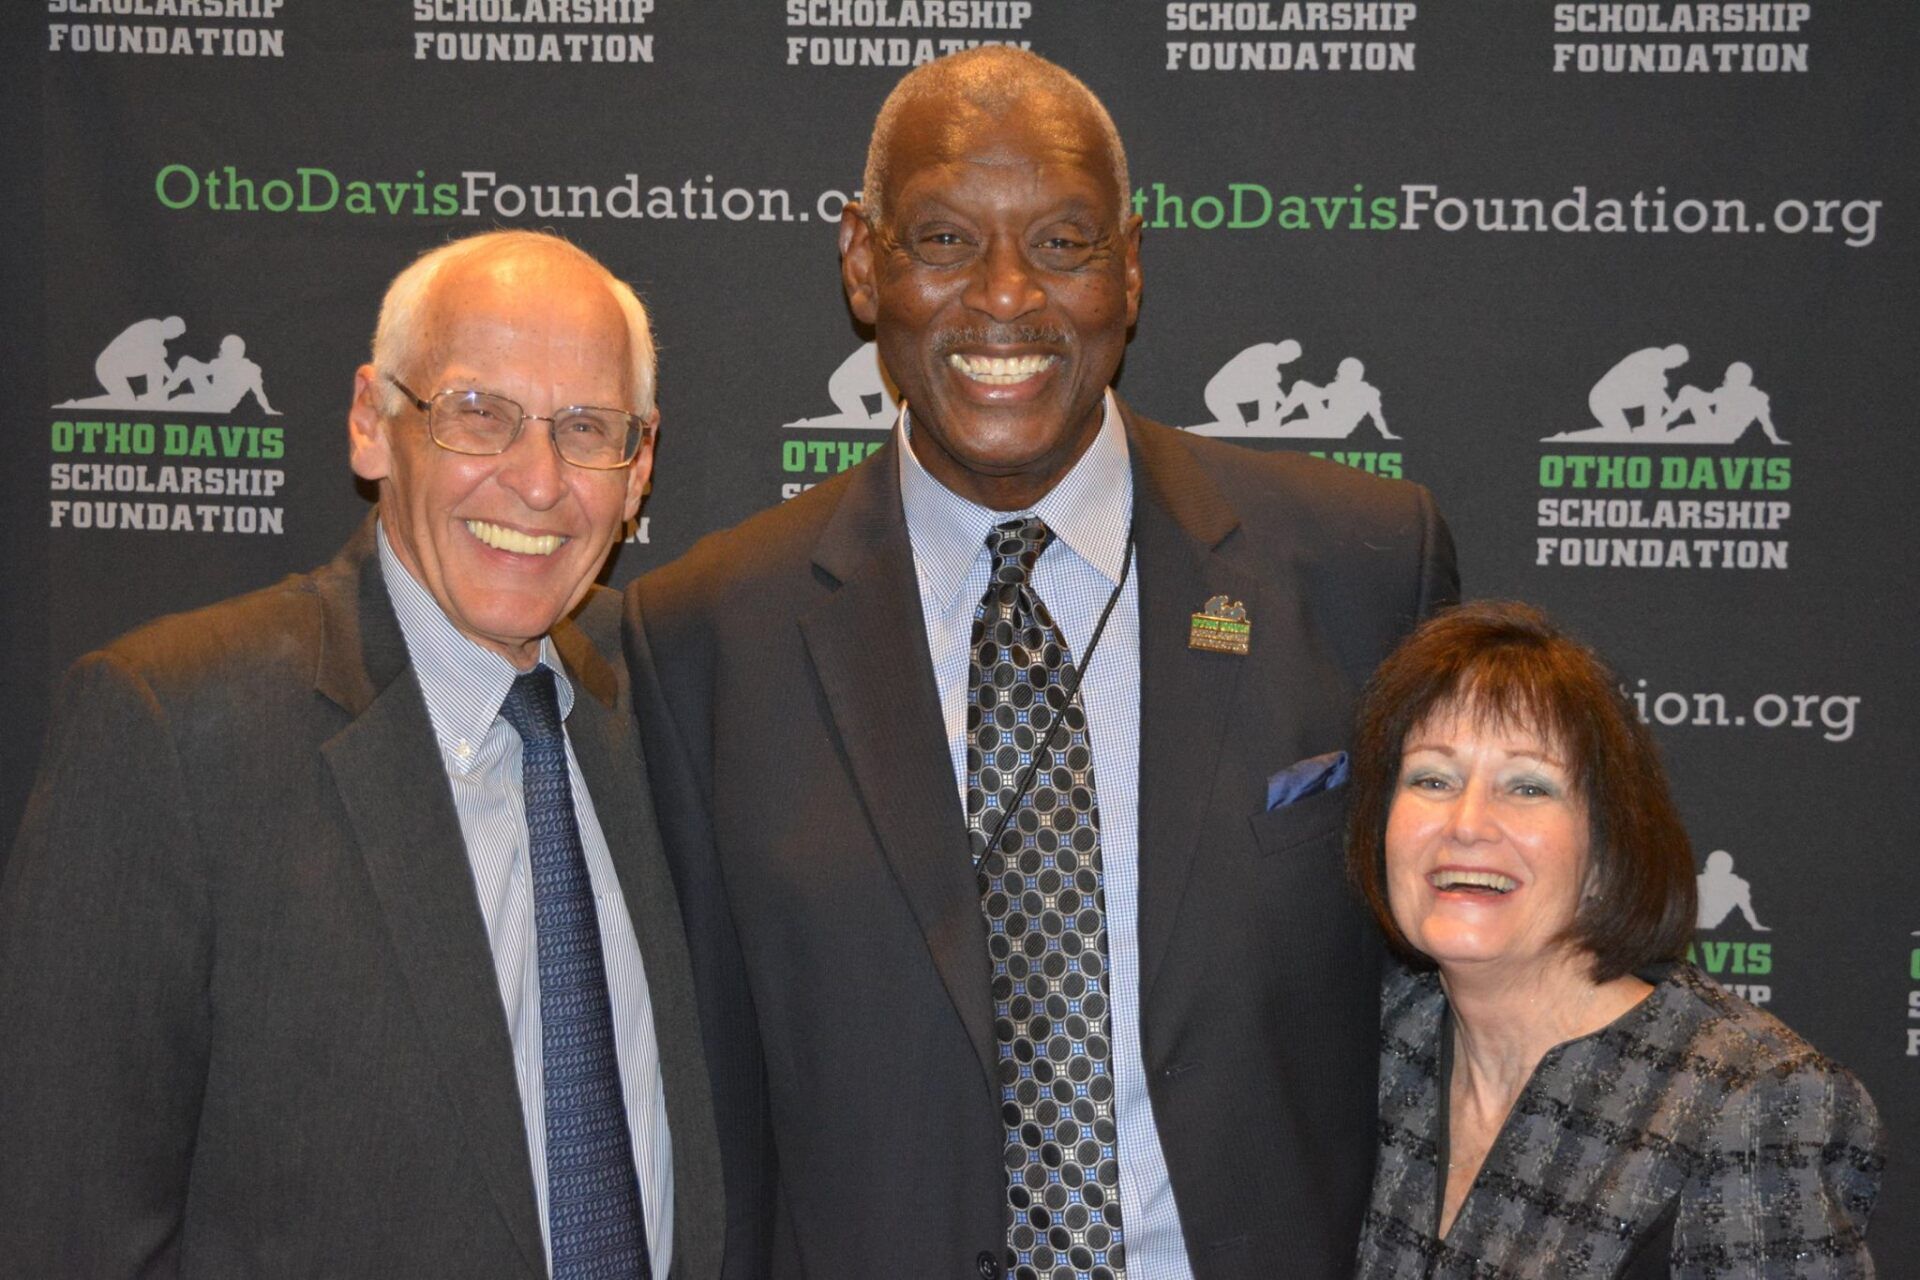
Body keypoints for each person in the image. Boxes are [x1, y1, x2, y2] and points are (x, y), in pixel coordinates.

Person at [627, 47, 1457, 1279]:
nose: (1006, 299)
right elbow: (708, 1093)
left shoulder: (1362, 563)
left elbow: (1480, 986)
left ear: (1131, 263)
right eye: (945, 241)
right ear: (863, 262)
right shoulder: (705, 632)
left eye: (1063, 245)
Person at [0, 230, 723, 1279]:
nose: (537, 479)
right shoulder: (173, 726)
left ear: (641, 462)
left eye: (586, 427)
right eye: (480, 413)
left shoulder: (676, 698)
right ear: (371, 422)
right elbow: (61, 1225)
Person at [1345, 601, 1882, 1277]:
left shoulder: (1755, 1104)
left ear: (1606, 847)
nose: (1467, 822)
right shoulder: (1370, 1042)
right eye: (1432, 778)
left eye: (1528, 787)